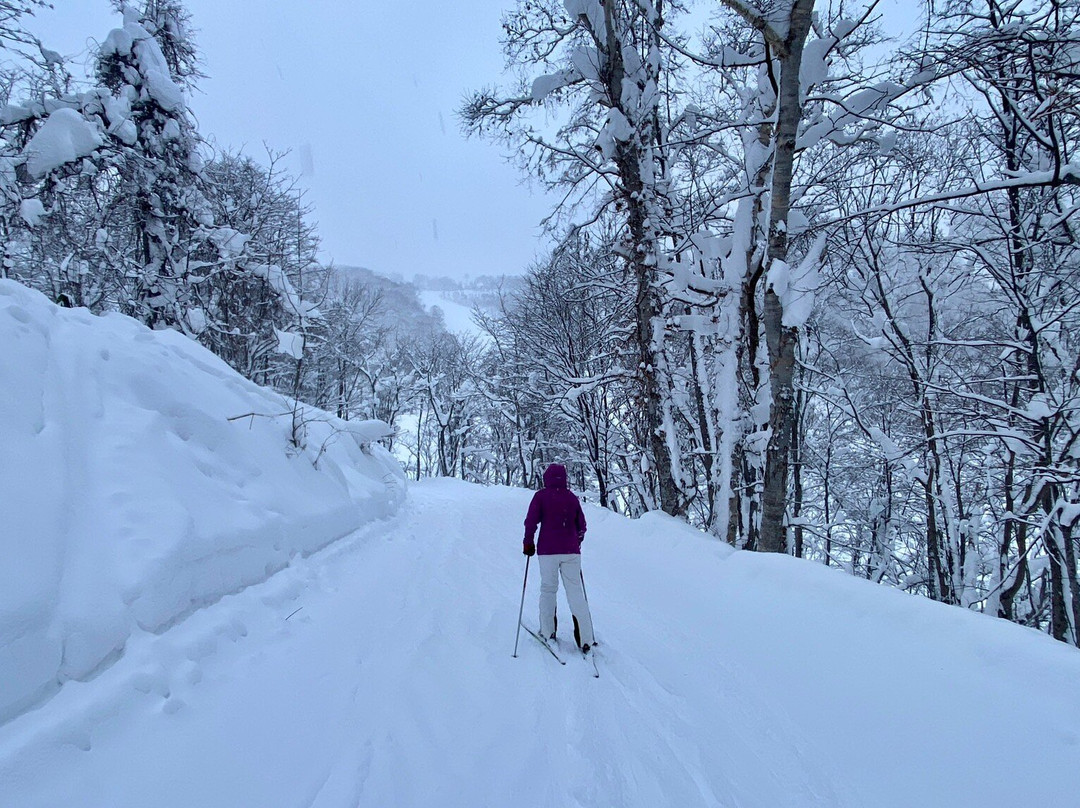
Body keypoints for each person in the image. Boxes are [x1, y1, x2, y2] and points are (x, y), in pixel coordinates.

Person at [523, 463, 595, 653]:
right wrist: (576, 542)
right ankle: (586, 639)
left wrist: (528, 542)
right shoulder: (571, 498)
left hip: (547, 551)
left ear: (546, 478)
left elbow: (531, 521)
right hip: (571, 552)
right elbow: (582, 525)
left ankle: (547, 632)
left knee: (548, 589)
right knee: (575, 593)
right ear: (564, 478)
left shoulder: (541, 496)